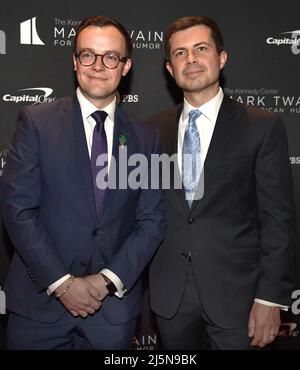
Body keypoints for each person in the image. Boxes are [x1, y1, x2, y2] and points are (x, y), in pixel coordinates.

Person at [1, 15, 164, 350]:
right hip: (39, 308)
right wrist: (62, 284)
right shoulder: (36, 122)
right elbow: (18, 210)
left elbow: (152, 221)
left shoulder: (147, 138)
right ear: (75, 61)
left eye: (110, 57)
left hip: (111, 313)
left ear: (126, 65)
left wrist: (105, 281)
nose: (98, 66)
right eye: (87, 54)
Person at [149, 16, 295, 350]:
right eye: (180, 53)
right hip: (170, 297)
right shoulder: (152, 131)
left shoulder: (262, 126)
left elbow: (277, 219)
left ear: (222, 58)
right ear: (170, 69)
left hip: (238, 298)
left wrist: (270, 299)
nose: (191, 59)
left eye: (201, 49)